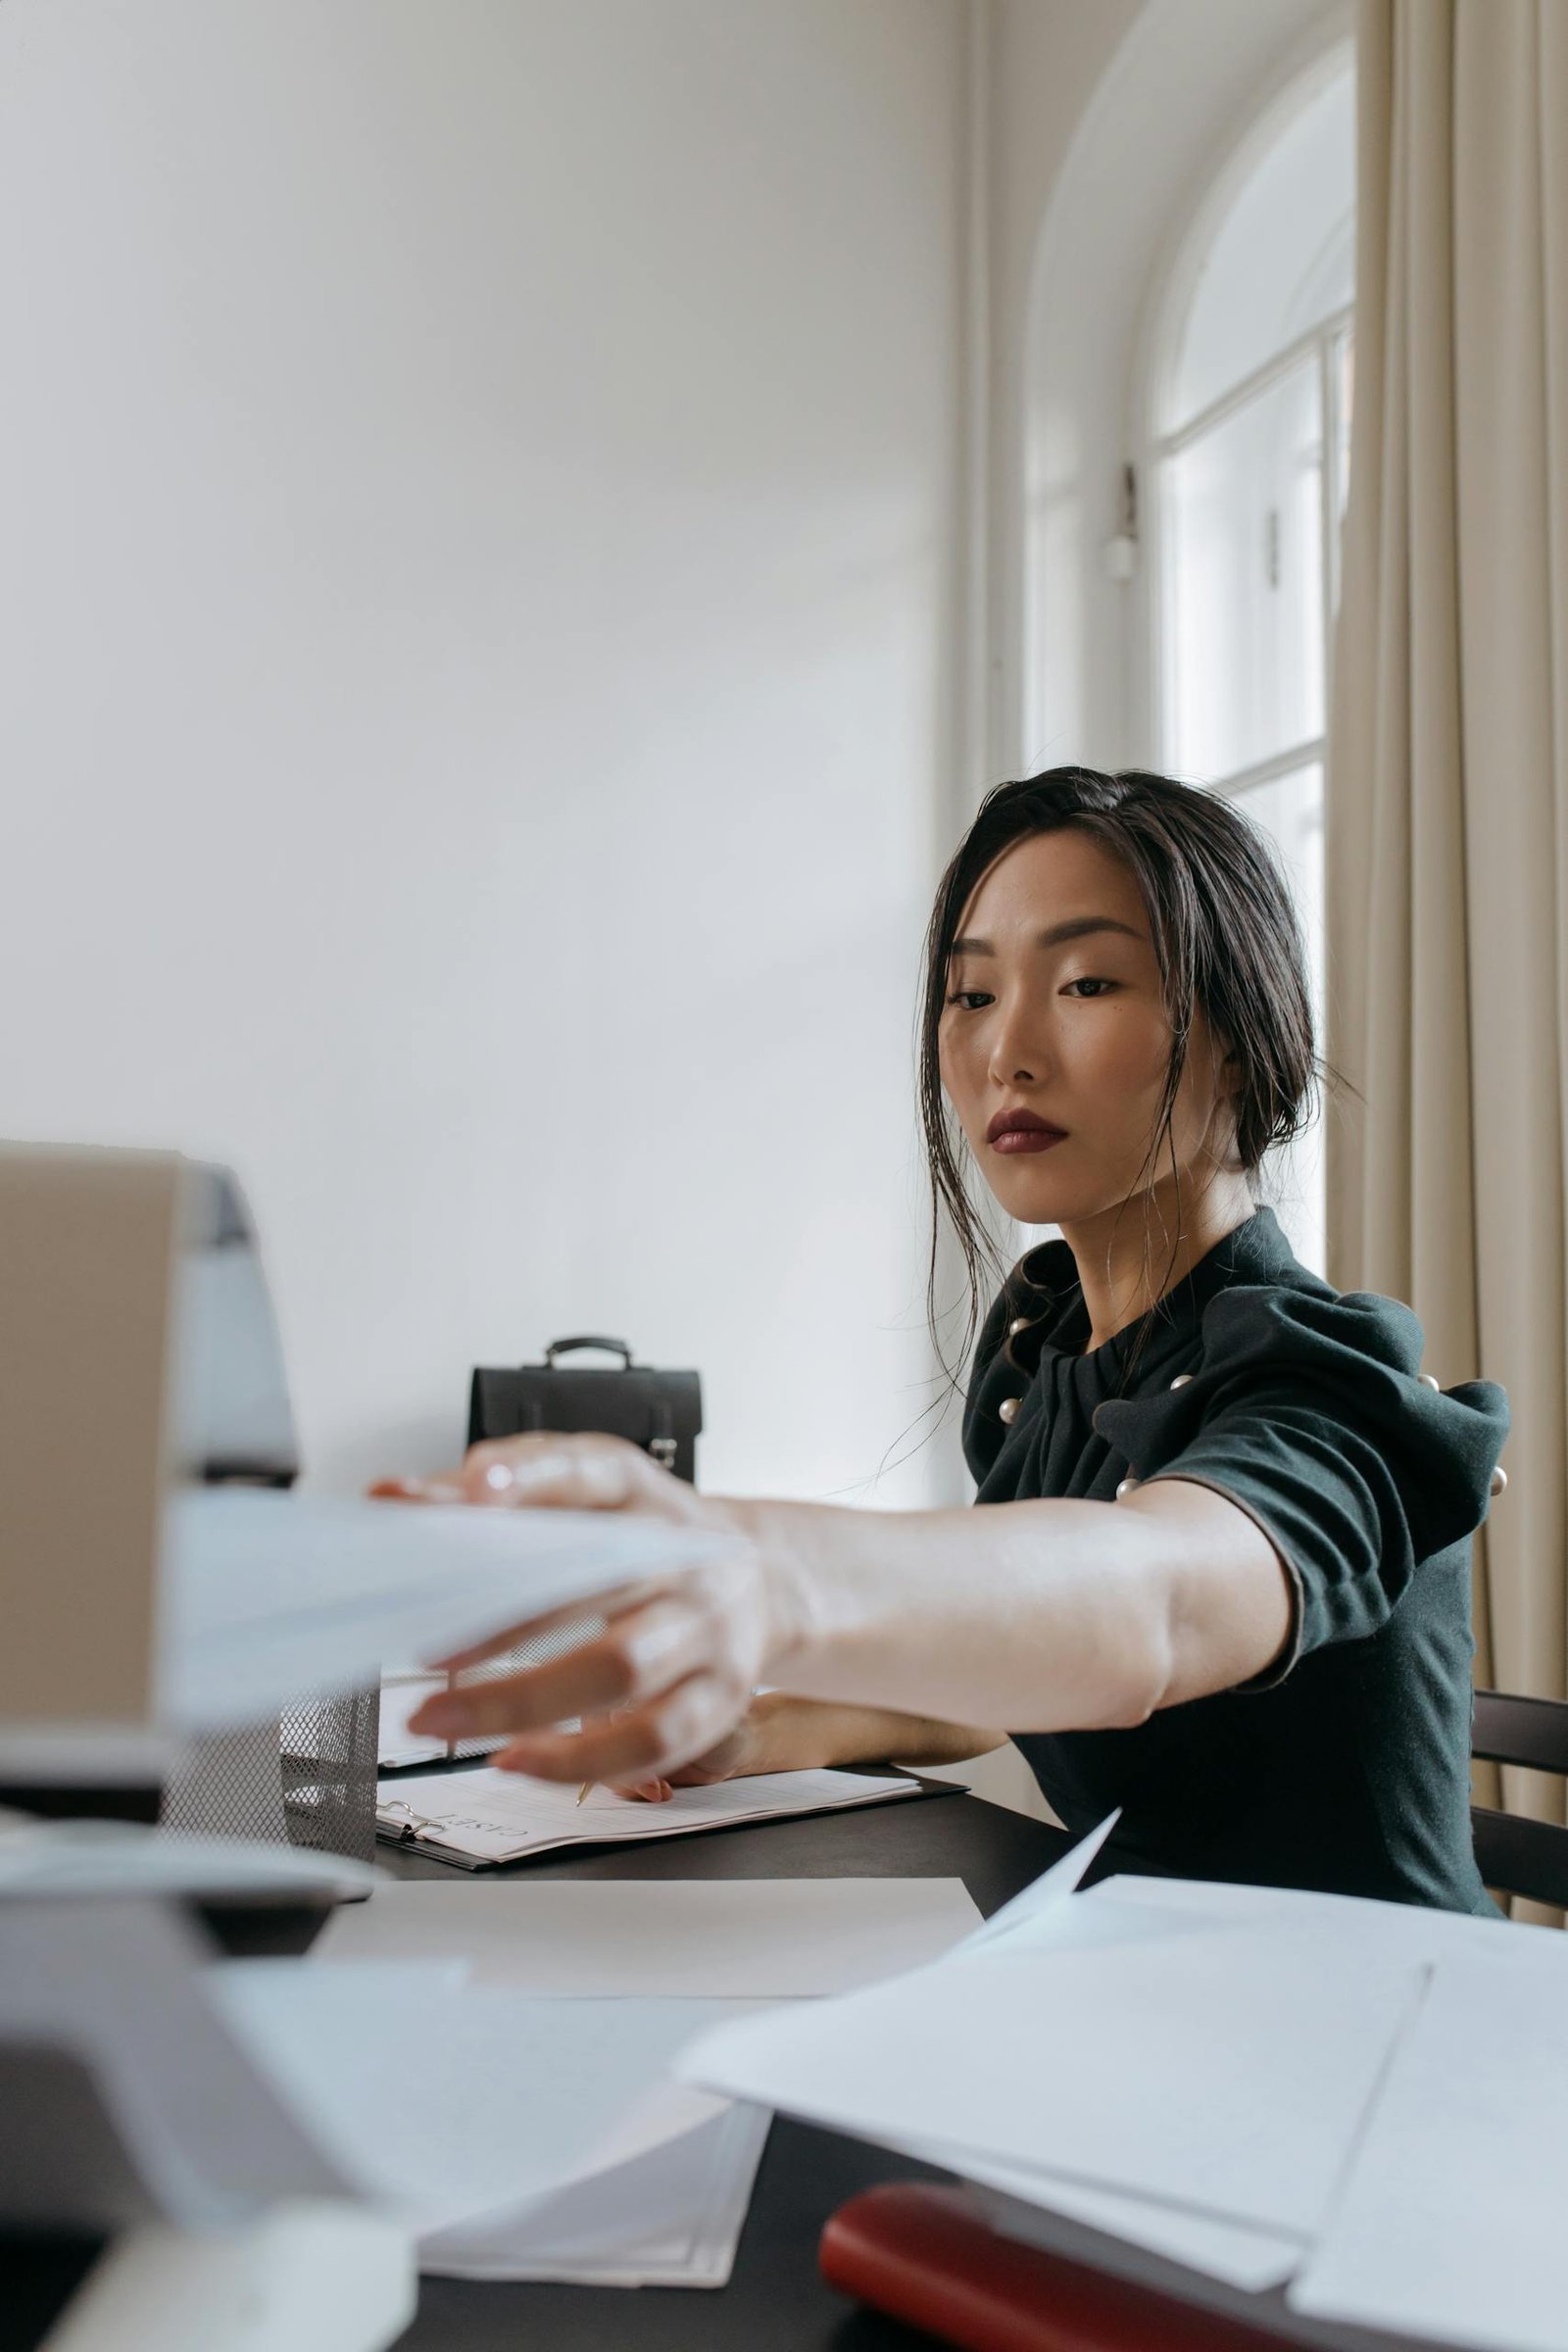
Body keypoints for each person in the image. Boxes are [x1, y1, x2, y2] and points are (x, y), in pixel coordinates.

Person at [381, 768, 1508, 1912]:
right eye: (970, 995)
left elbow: (1148, 1611)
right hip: (1144, 1994)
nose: (1006, 1052)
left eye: (1086, 981)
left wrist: (762, 1575)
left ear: (1239, 1036)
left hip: (1367, 2033)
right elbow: (1012, 1676)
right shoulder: (1048, 1356)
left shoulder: (1329, 1385)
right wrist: (750, 1728)